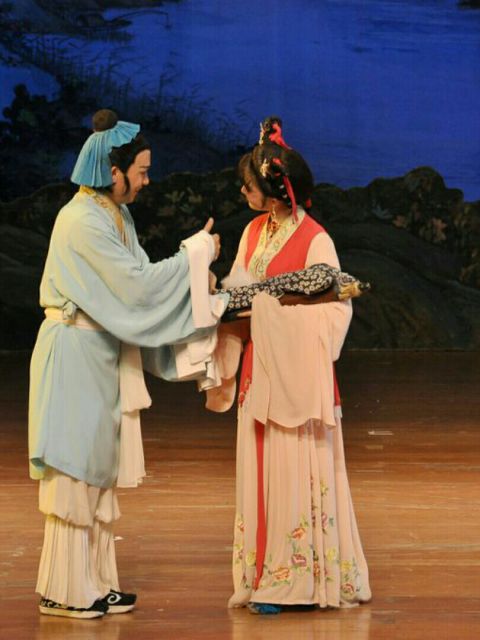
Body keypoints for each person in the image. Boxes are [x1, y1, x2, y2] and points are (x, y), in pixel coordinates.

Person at [28, 109, 227, 619]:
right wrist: (193, 255)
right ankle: (64, 589)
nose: (146, 180)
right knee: (76, 468)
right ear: (113, 172)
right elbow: (136, 289)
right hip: (75, 353)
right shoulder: (80, 220)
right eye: (141, 171)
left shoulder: (115, 216)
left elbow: (139, 279)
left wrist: (193, 269)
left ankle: (95, 581)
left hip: (100, 352)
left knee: (99, 470)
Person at [209, 116, 371, 613]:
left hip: (297, 376)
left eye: (250, 185)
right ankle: (264, 575)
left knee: (293, 475)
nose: (244, 192)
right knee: (260, 474)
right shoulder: (253, 232)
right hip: (259, 371)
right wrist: (224, 303)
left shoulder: (316, 239)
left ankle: (297, 581)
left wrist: (270, 313)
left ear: (277, 191)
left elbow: (334, 313)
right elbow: (239, 292)